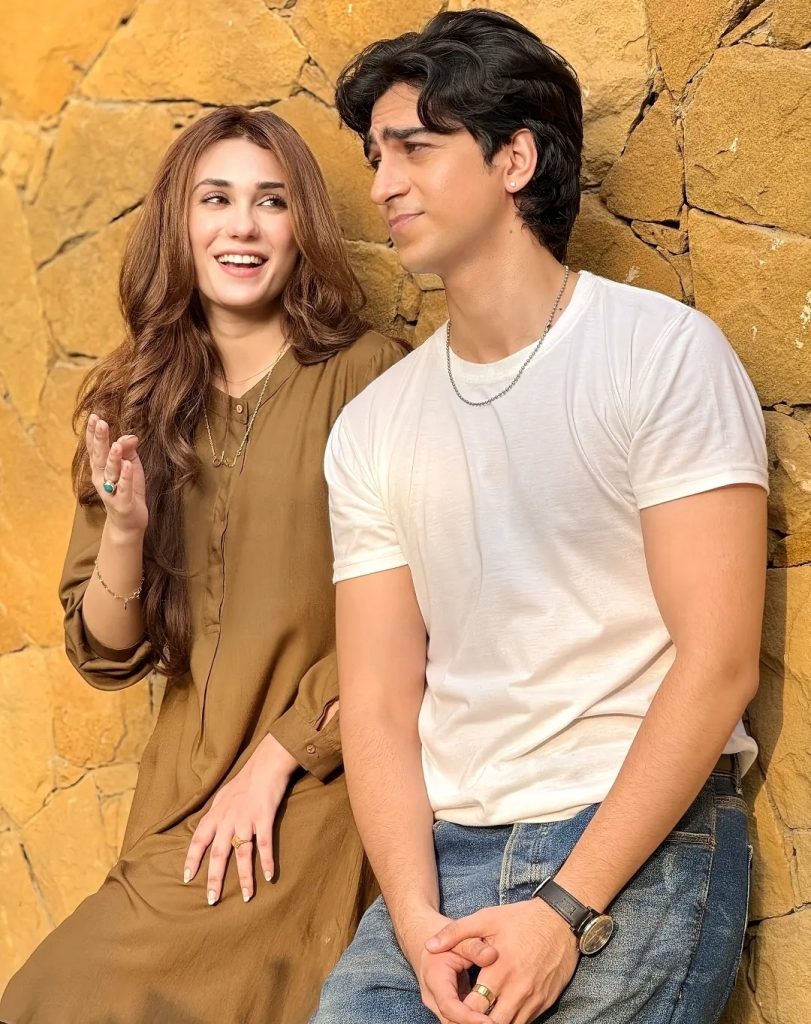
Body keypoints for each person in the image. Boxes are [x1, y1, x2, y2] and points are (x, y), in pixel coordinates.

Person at [311, 10, 768, 1024]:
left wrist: (564, 908)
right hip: (442, 861)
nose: (382, 184)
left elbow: (718, 662)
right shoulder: (372, 428)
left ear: (513, 159)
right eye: (376, 156)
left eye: (414, 148)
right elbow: (378, 703)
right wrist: (415, 920)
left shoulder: (661, 356)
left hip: (635, 843)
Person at [0, 106, 403, 1024]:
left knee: (57, 1001)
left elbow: (425, 604)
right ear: (178, 225)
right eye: (215, 199)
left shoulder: (369, 376)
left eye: (271, 201)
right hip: (180, 797)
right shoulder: (136, 398)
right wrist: (126, 528)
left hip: (321, 779)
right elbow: (106, 653)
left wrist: (278, 760)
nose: (242, 227)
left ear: (302, 226)